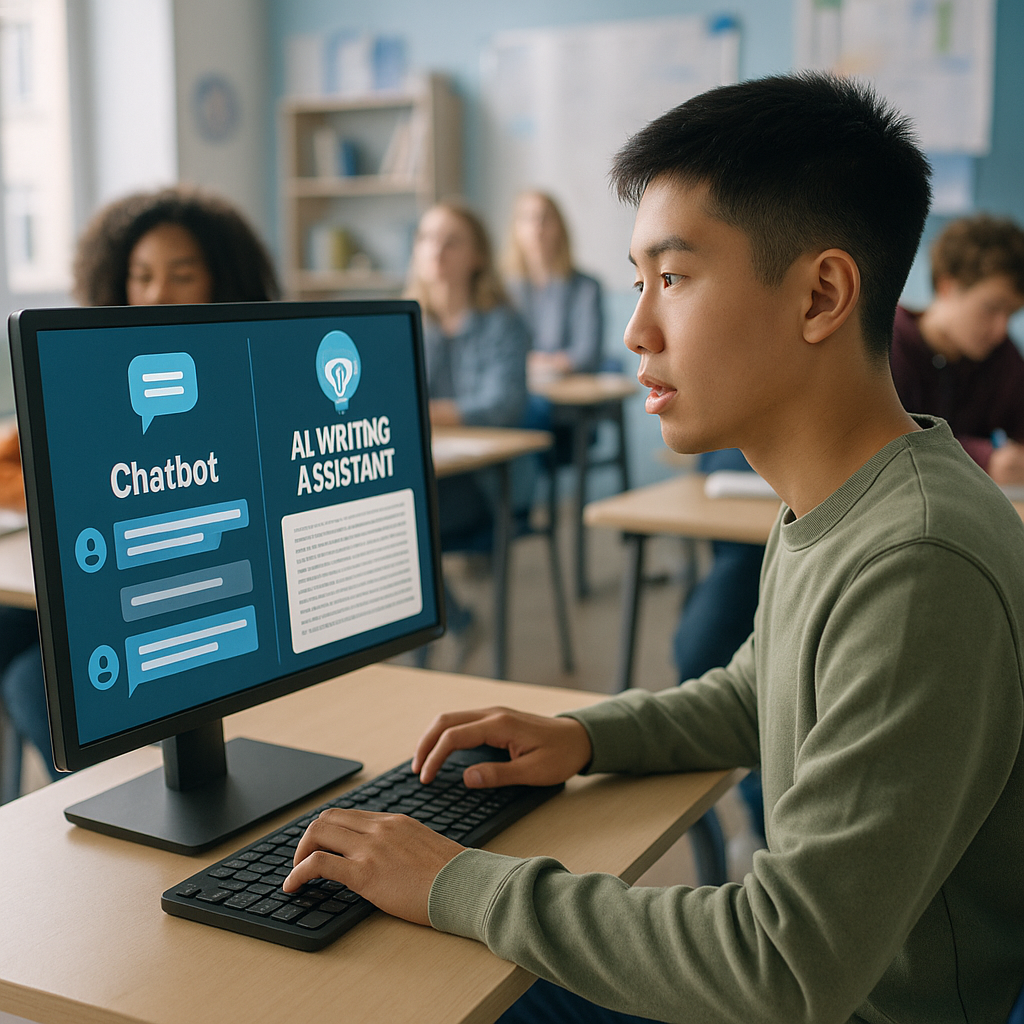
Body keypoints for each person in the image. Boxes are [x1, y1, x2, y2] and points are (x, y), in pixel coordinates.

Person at [282, 74, 1024, 1023]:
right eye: (639, 282)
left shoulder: (916, 560)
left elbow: (783, 967)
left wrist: (456, 881)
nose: (636, 330)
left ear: (821, 295)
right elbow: (763, 691)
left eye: (672, 279)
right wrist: (586, 736)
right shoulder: (846, 500)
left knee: (435, 991)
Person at [0, 185, 279, 782]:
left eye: (182, 274)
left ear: (220, 278)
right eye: (142, 275)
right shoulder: (100, 377)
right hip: (97, 572)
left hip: (180, 586)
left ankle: (118, 786)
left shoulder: (241, 376)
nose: (157, 294)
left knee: (29, 675)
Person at [404, 202, 530, 657]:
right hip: (428, 471)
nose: (436, 250)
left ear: (477, 256)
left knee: (403, 519)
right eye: (426, 238)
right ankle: (455, 622)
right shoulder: (408, 320)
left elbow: (503, 405)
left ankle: (430, 644)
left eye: (451, 240)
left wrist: (428, 412)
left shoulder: (502, 322)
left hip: (481, 483)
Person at [890, 213, 1024, 484]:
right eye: (991, 308)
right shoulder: (887, 343)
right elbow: (887, 447)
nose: (1001, 329)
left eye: (1010, 314)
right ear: (947, 286)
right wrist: (984, 459)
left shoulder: (1002, 355)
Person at [505, 191, 603, 379]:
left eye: (544, 218)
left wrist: (532, 363)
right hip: (520, 395)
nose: (537, 227)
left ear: (559, 227)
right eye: (528, 219)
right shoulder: (504, 290)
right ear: (515, 229)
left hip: (569, 393)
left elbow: (586, 355)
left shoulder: (587, 288)